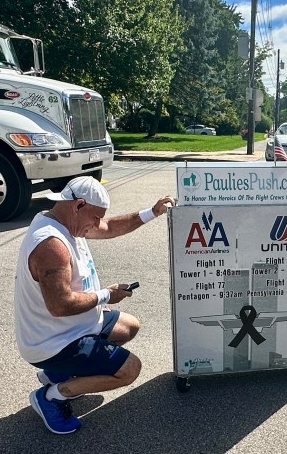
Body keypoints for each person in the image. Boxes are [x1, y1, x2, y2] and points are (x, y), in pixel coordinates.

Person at [14, 176, 175, 434]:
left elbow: (110, 226)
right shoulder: (51, 245)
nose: (98, 224)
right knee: (130, 369)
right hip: (51, 342)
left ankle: (58, 374)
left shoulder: (64, 220)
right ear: (78, 205)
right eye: (95, 216)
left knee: (129, 326)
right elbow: (60, 305)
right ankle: (52, 396)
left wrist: (152, 212)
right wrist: (104, 296)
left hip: (73, 325)